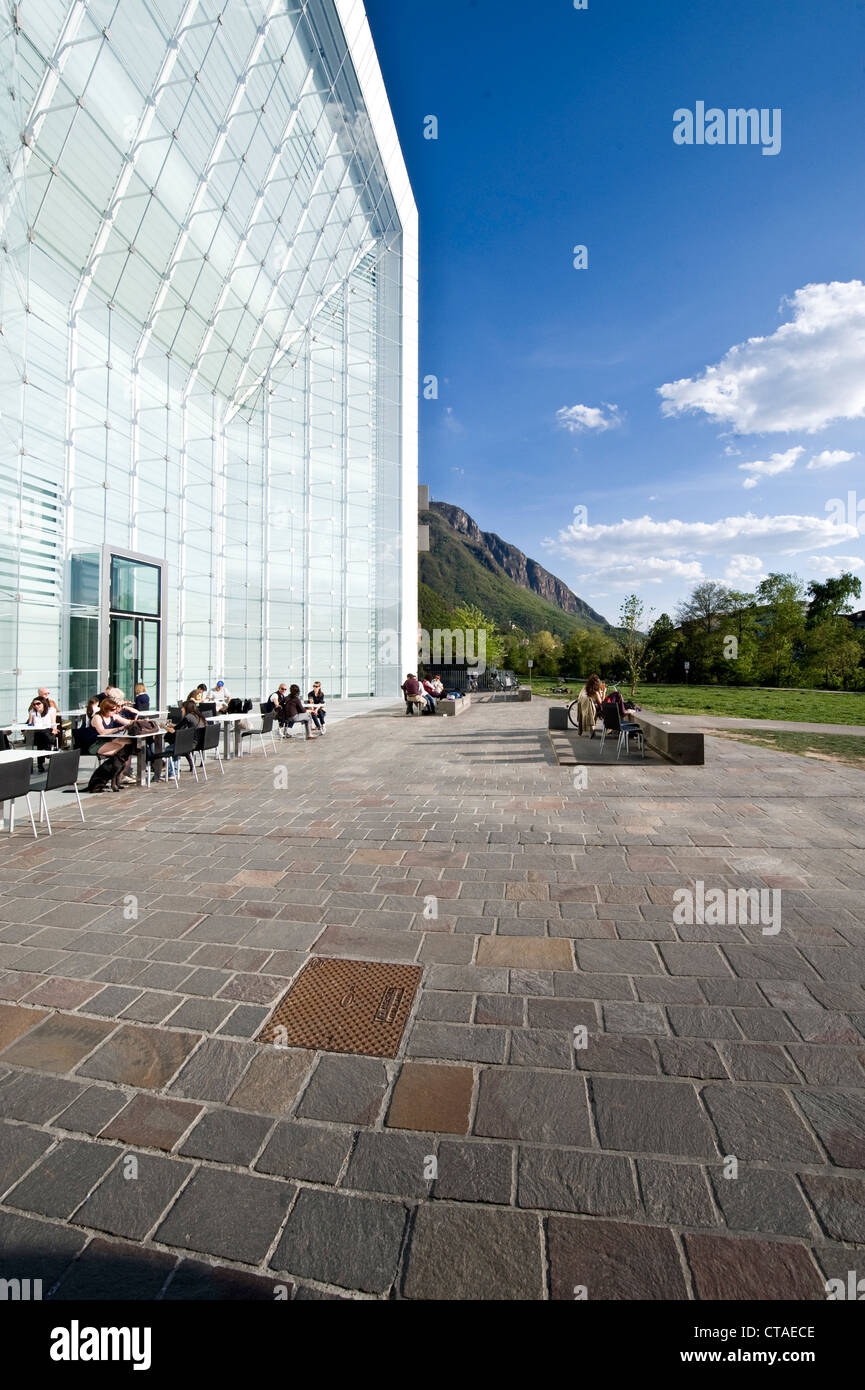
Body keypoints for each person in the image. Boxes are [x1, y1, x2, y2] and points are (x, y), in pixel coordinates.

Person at [89, 698, 137, 788]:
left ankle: (122, 774)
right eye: (112, 710)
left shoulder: (113, 716)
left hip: (109, 741)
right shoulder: (97, 718)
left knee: (128, 744)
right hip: (97, 744)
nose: (115, 711)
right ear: (105, 709)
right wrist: (118, 728)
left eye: (115, 709)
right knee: (121, 751)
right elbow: (102, 732)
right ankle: (118, 775)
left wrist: (137, 722)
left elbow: (127, 722)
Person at [26, 696, 58, 772]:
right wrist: (31, 721)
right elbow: (30, 724)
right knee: (40, 737)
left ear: (43, 703)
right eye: (34, 704)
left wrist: (55, 729)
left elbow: (53, 722)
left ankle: (42, 760)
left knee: (44, 737)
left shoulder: (51, 710)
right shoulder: (33, 712)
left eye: (38, 703)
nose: (36, 706)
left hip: (48, 731)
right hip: (38, 732)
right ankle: (47, 752)